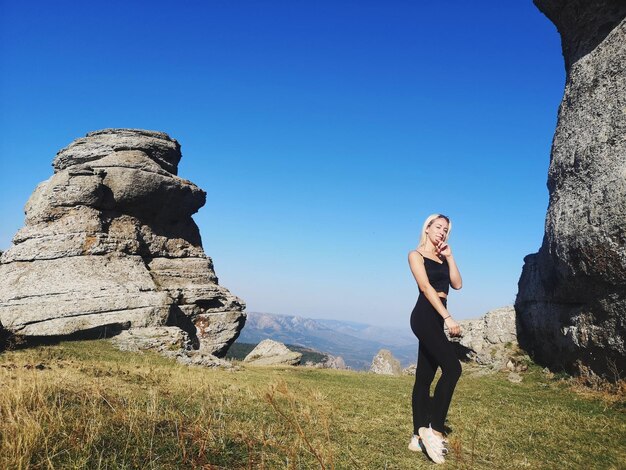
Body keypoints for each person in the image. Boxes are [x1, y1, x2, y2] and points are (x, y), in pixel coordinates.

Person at [407, 213, 463, 464]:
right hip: (424, 315)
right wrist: (448, 318)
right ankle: (435, 430)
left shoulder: (442, 257)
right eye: (438, 227)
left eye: (446, 230)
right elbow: (426, 288)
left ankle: (417, 436)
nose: (442, 232)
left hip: (437, 315)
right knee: (453, 368)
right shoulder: (415, 255)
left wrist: (450, 257)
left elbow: (458, 284)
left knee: (425, 377)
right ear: (427, 228)